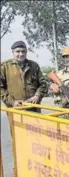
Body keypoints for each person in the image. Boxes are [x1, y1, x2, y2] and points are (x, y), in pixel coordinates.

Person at [0, 40, 48, 176]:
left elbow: (43, 84)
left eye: (23, 51)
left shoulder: (34, 66)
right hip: (15, 111)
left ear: (26, 52)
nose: (20, 54)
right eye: (18, 52)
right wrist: (12, 102)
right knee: (18, 141)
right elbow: (1, 88)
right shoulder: (5, 67)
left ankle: (36, 169)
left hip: (33, 110)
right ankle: (18, 170)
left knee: (37, 141)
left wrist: (37, 96)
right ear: (13, 53)